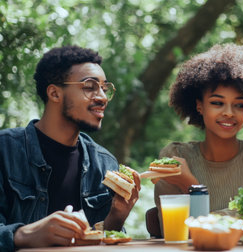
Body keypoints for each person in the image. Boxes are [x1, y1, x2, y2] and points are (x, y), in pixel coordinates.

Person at [0, 45, 141, 251]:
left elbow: (101, 244)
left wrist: (116, 218)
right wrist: (25, 234)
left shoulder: (104, 163)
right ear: (55, 93)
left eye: (104, 88)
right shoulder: (4, 150)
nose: (102, 97)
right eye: (90, 87)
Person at [152, 44, 243, 234]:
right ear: (200, 106)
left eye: (239, 105)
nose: (229, 113)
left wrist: (191, 187)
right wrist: (236, 220)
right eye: (217, 103)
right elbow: (174, 230)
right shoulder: (175, 156)